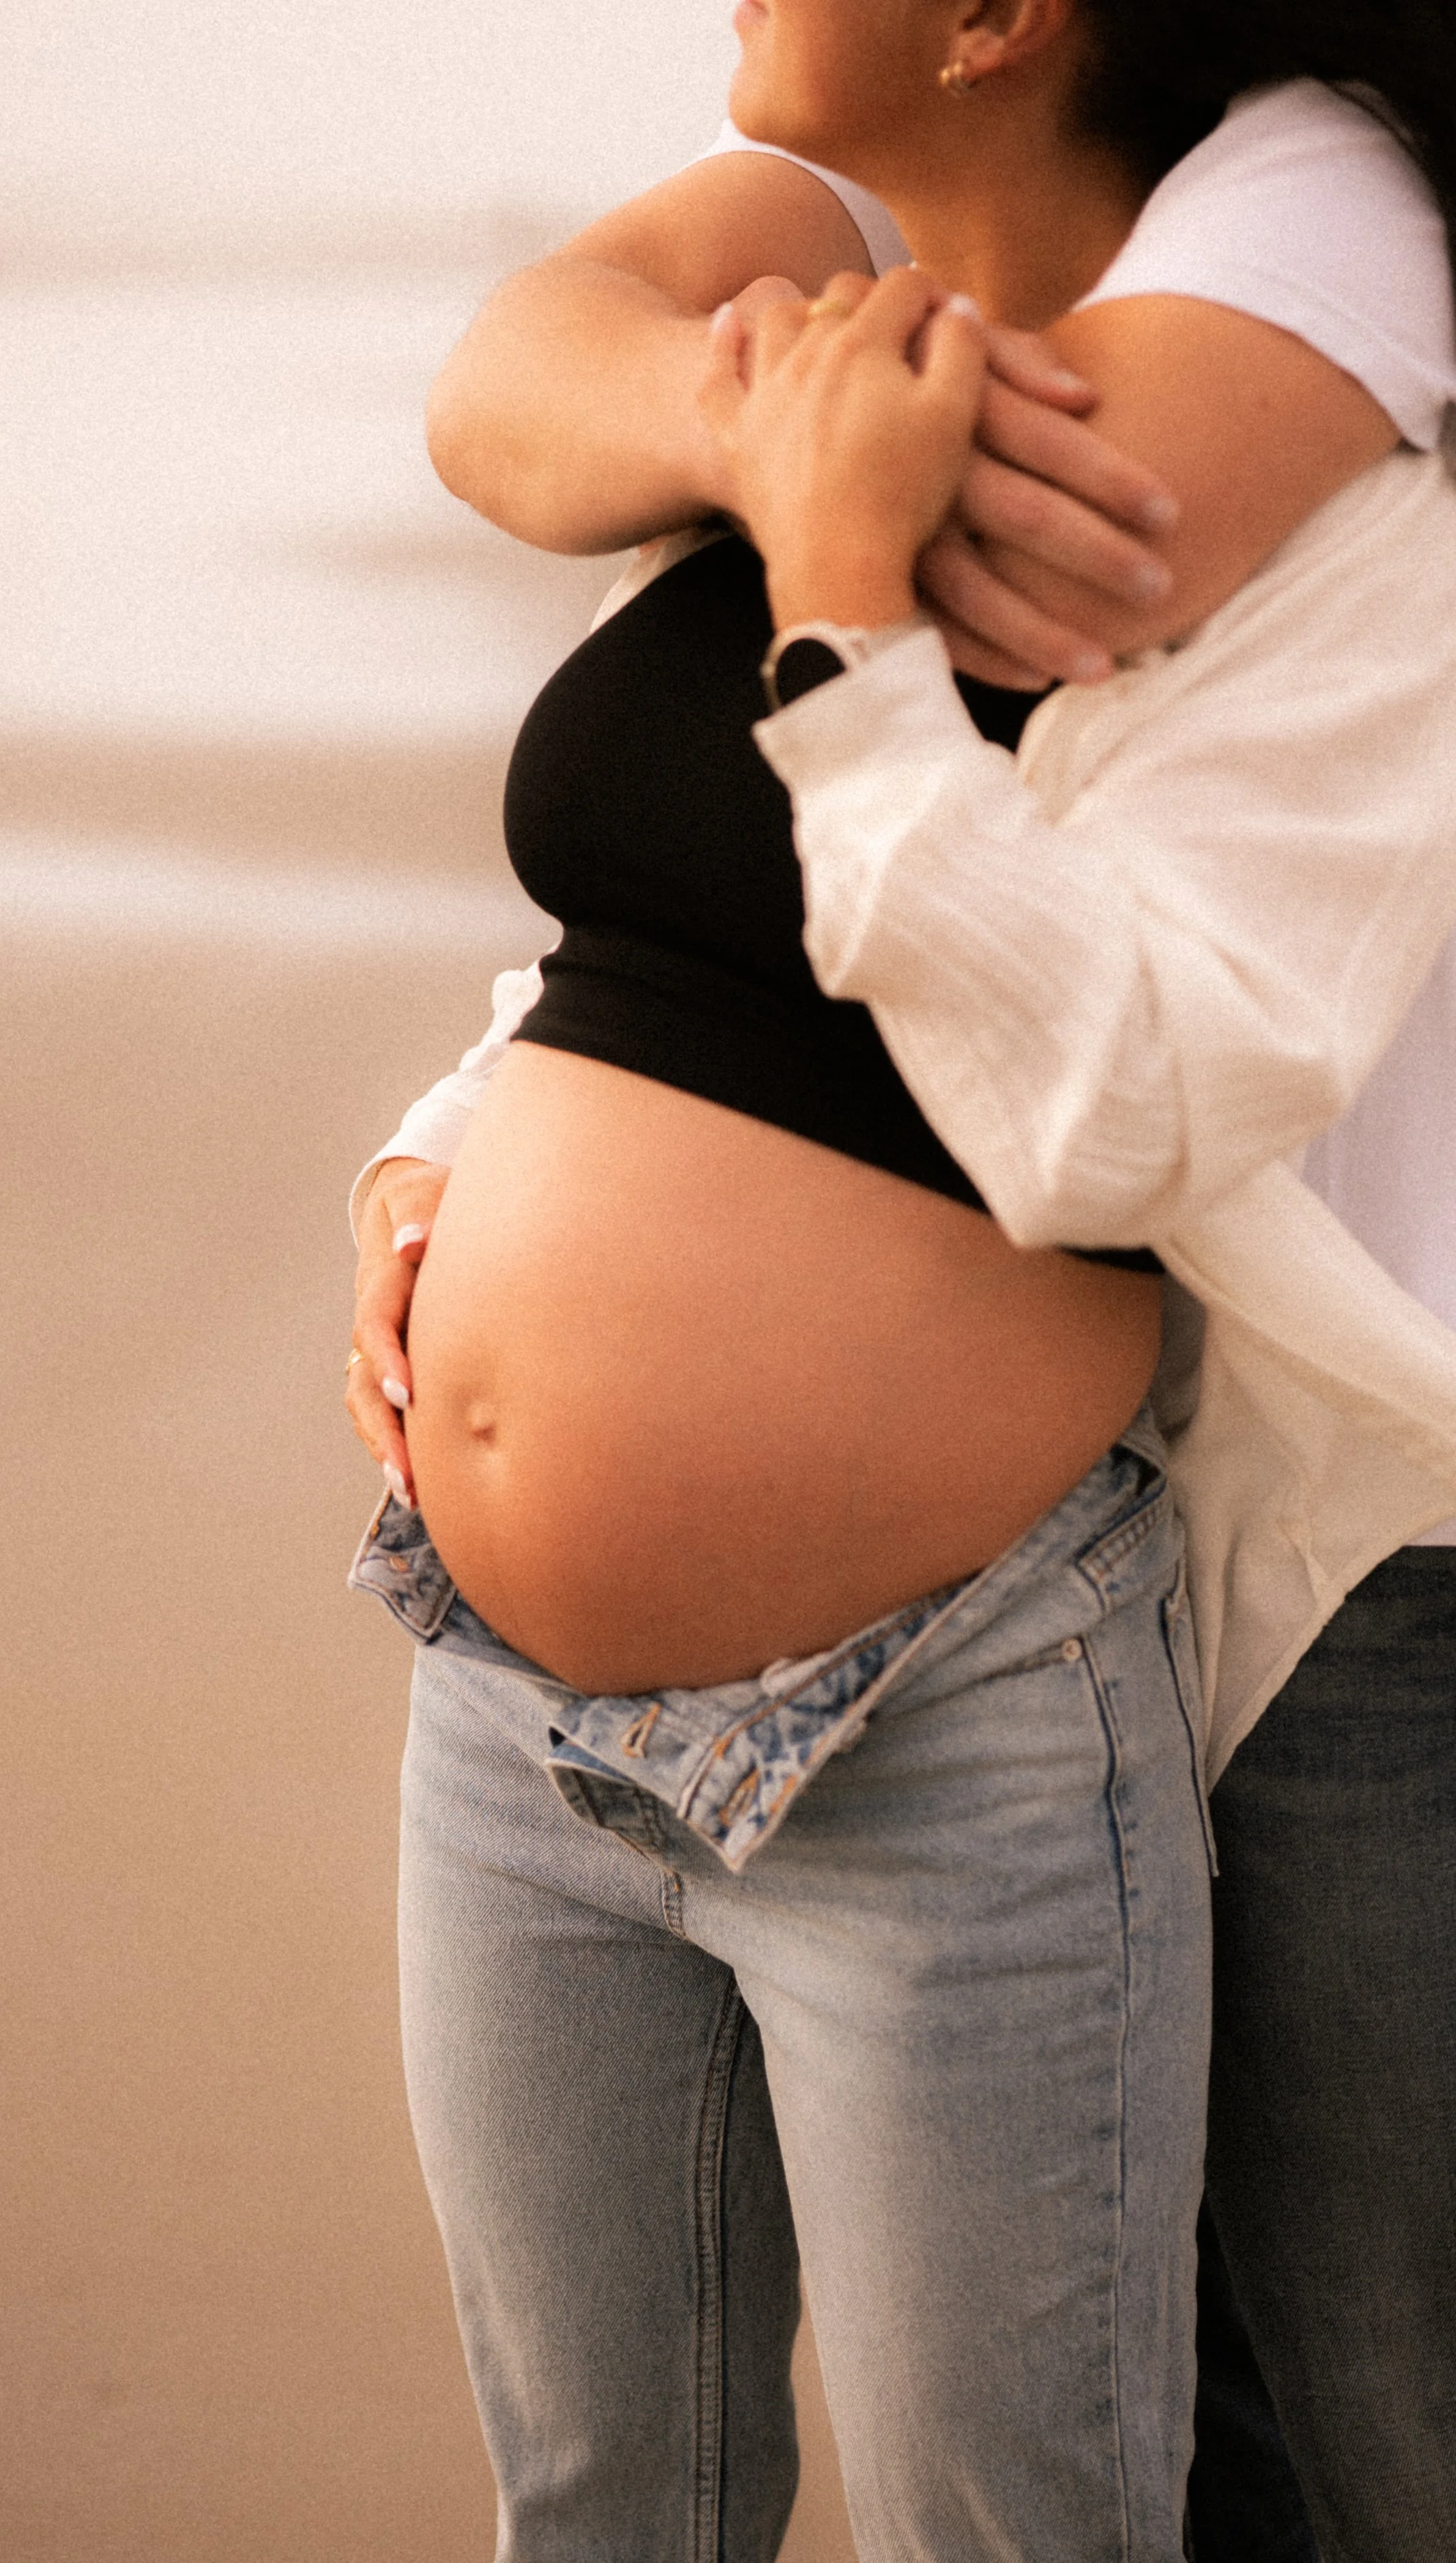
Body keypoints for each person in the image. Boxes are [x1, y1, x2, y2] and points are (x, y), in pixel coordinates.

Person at [347, 8, 1456, 2557]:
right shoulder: (814, 311)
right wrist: (452, 1140)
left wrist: (832, 578)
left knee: (1160, 2488)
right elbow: (653, 884)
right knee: (601, 2507)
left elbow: (1102, 1105)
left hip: (969, 1695)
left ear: (998, 20)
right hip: (511, 1710)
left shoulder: (1318, 314)